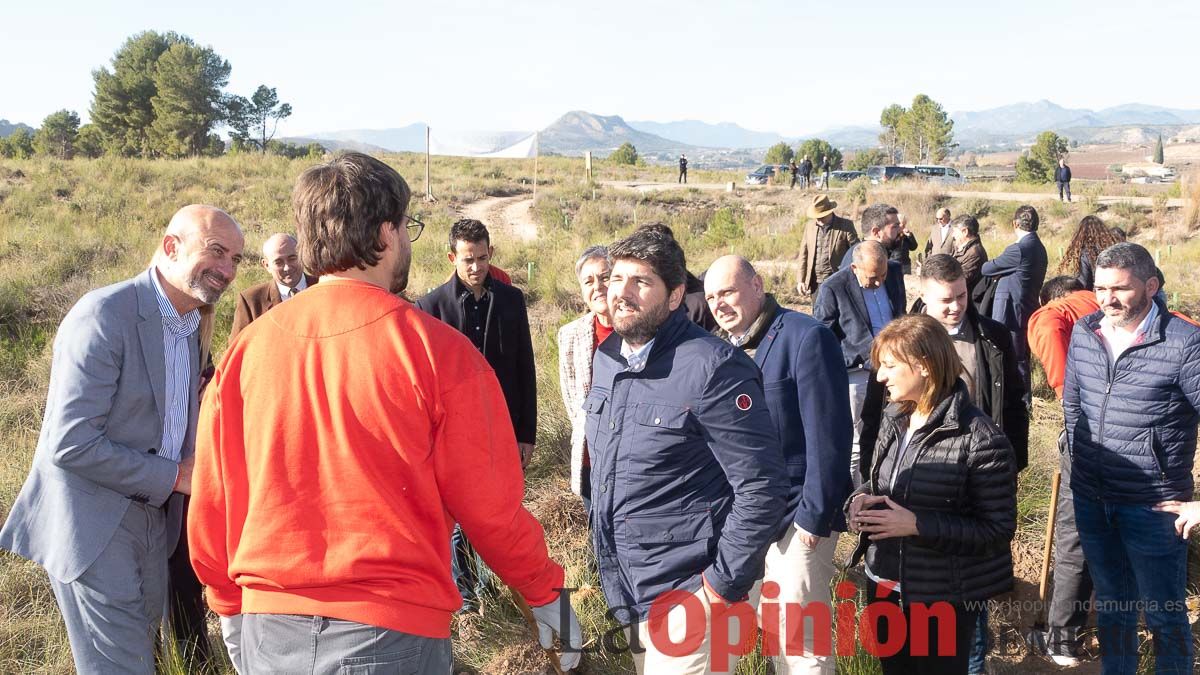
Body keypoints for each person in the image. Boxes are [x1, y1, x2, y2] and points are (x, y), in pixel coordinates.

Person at [188, 152, 581, 674]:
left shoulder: (246, 353)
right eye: (408, 227)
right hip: (392, 634)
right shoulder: (439, 352)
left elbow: (213, 498)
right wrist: (547, 595)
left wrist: (228, 607)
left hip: (268, 628)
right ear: (387, 234)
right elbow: (492, 510)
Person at [0, 205, 245, 674]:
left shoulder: (192, 327)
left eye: (236, 258)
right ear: (171, 247)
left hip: (155, 526)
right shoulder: (104, 314)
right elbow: (70, 443)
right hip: (94, 526)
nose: (228, 270)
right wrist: (177, 475)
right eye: (216, 251)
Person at [586, 225, 788, 674]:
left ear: (675, 295)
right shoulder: (608, 358)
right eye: (617, 279)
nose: (622, 292)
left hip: (692, 588)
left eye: (641, 282)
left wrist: (718, 586)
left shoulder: (714, 368)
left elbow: (762, 488)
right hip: (630, 585)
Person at [705, 255, 852, 674]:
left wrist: (812, 520)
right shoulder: (718, 349)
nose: (720, 304)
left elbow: (830, 437)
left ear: (757, 285)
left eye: (728, 291)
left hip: (796, 521)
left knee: (801, 644)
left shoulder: (806, 338)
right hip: (743, 522)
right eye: (712, 296)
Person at [847, 314, 1017, 675]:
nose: (879, 377)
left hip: (940, 599)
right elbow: (881, 483)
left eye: (889, 366)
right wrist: (858, 500)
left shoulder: (980, 439)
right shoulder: (895, 419)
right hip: (882, 585)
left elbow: (997, 531)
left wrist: (916, 525)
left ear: (923, 366)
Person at [1063, 242, 1200, 674]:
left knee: (1164, 615)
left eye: (1119, 289)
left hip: (1155, 505)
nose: (1107, 299)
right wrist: (1079, 470)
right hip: (1092, 500)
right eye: (1100, 288)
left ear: (1151, 286)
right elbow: (1073, 408)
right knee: (1113, 608)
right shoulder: (1086, 332)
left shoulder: (1184, 343)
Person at [912, 254, 1029, 675]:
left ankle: (974, 663)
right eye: (945, 300)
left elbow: (1015, 404)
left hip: (980, 475)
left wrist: (1012, 463)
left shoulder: (993, 336)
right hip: (922, 480)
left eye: (961, 295)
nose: (956, 306)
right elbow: (879, 417)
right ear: (921, 296)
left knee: (975, 585)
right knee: (928, 588)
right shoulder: (903, 340)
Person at [416, 218, 538, 613]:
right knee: (460, 514)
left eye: (483, 258)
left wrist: (527, 433)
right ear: (452, 257)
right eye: (468, 259)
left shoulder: (511, 300)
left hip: (503, 427)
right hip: (454, 432)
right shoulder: (430, 308)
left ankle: (502, 584)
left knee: (501, 507)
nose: (476, 267)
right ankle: (467, 594)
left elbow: (525, 368)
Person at [1025, 275, 1099, 666]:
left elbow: (1048, 326)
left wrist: (1066, 394)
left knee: (1073, 536)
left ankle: (1062, 641)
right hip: (1140, 438)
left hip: (1088, 437)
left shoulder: (1053, 312)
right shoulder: (1109, 297)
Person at [813, 241, 905, 484]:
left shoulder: (894, 273)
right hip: (858, 374)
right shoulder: (833, 288)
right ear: (854, 268)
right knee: (859, 439)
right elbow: (822, 337)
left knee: (899, 428)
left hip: (897, 368)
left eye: (883, 275)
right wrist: (858, 358)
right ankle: (858, 497)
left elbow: (901, 314)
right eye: (873, 277)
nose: (879, 283)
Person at [557, 245, 613, 511]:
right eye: (589, 281)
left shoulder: (641, 329)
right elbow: (573, 403)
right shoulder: (571, 336)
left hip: (634, 464)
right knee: (598, 543)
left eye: (605, 277)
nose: (598, 287)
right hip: (590, 459)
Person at [980, 204, 1048, 397]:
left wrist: (1000, 273)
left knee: (1017, 360)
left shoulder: (1018, 249)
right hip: (1026, 308)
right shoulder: (1039, 247)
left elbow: (987, 268)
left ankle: (1022, 402)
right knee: (1020, 358)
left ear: (1015, 223)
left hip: (1013, 311)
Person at [229, 232, 319, 341]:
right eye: (278, 262)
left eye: (292, 258)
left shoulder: (323, 287)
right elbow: (238, 347)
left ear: (301, 255)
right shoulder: (251, 301)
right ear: (266, 265)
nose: (287, 267)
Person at [839, 203, 906, 301]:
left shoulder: (888, 259)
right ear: (876, 232)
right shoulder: (856, 259)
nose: (900, 230)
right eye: (895, 227)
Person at [797, 194, 859, 296]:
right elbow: (803, 254)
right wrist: (801, 280)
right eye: (816, 216)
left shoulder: (846, 225)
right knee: (817, 311)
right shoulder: (809, 226)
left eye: (821, 216)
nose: (818, 219)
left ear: (829, 212)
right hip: (814, 283)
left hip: (837, 281)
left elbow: (856, 251)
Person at [1058, 215, 1121, 290]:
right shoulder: (1115, 249)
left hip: (1097, 296)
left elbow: (1083, 283)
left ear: (1080, 234)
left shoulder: (1086, 254)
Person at [949, 215, 988, 292]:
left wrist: (931, 276)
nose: (952, 235)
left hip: (967, 300)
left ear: (965, 232)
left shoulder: (975, 253)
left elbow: (958, 280)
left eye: (954, 231)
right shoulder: (961, 247)